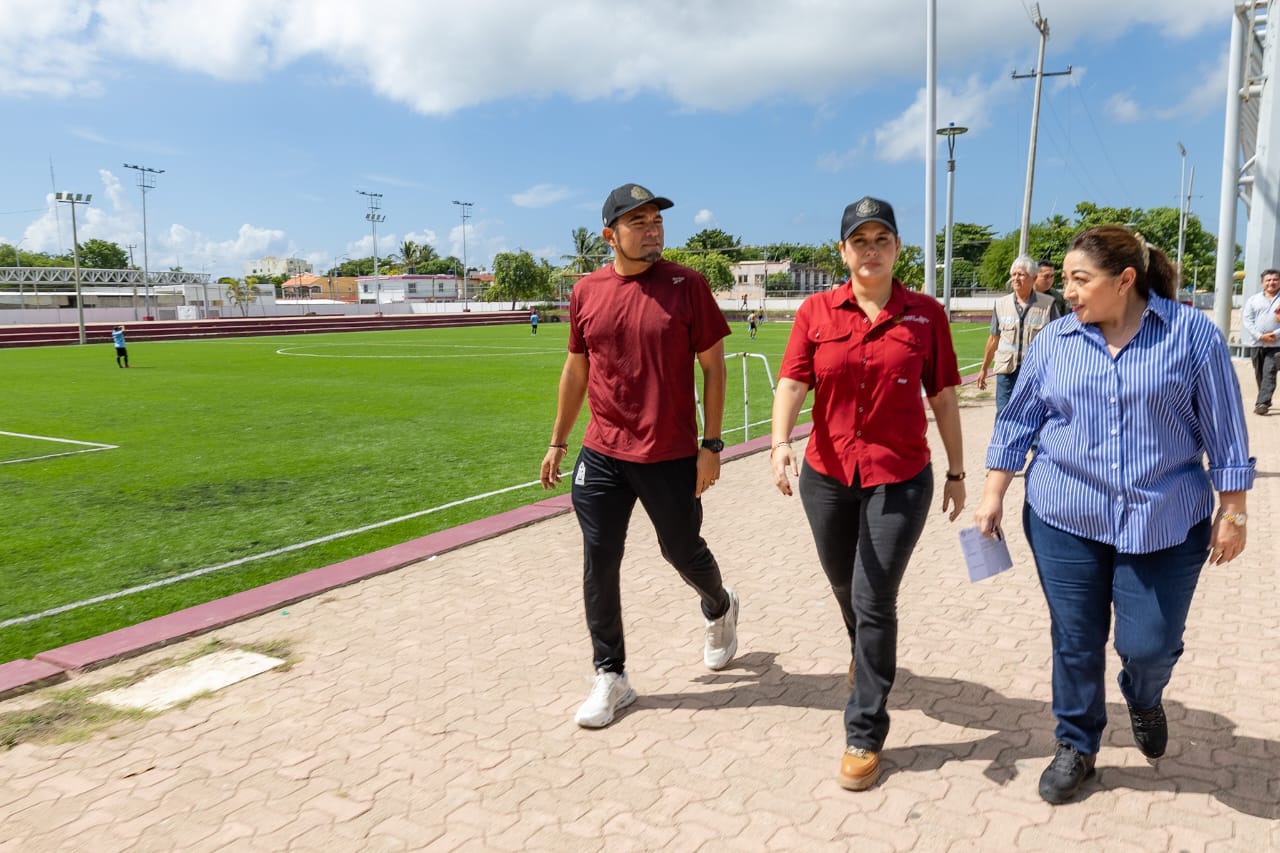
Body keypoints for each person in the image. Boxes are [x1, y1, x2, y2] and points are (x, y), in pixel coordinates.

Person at [973, 226, 1254, 805]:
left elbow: (1225, 428)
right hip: (1064, 512)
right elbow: (1019, 421)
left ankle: (1143, 693)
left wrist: (1234, 512)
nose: (1069, 291)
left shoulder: (1192, 335)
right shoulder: (1055, 342)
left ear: (1125, 280)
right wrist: (993, 492)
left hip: (1165, 518)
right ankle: (1077, 743)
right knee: (1075, 637)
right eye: (1067, 279)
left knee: (1149, 643)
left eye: (1082, 280)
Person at [769, 196, 966, 792]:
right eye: (861, 241)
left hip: (900, 476)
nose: (872, 250)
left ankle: (864, 728)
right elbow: (793, 380)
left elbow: (946, 398)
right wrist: (780, 443)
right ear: (844, 251)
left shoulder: (925, 316)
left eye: (883, 239)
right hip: (827, 476)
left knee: (874, 593)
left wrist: (958, 472)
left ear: (898, 249)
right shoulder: (815, 312)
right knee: (842, 583)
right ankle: (866, 653)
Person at [540, 182, 739, 729]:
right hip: (602, 451)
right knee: (599, 559)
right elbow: (577, 369)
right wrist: (559, 439)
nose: (653, 231)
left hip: (671, 451)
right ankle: (611, 675)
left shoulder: (687, 285)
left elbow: (714, 369)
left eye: (656, 222)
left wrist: (712, 445)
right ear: (611, 235)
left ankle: (719, 605)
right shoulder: (586, 292)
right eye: (639, 223)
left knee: (681, 550)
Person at [976, 256, 1059, 414]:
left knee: (1033, 414)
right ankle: (1003, 440)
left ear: (1033, 278)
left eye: (1021, 274)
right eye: (1013, 274)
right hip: (1007, 371)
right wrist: (983, 369)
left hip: (1035, 372)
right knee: (1004, 414)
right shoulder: (1001, 304)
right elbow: (994, 339)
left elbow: (1058, 340)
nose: (1015, 278)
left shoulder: (1048, 304)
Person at [1240, 268, 1280, 415]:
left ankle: (1261, 403)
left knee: (1269, 371)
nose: (1272, 283)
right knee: (1260, 374)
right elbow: (1247, 320)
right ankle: (1266, 398)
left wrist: (1275, 334)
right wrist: (1259, 335)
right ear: (1262, 283)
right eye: (1268, 280)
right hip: (1257, 343)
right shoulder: (1253, 300)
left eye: (1275, 279)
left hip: (1277, 345)